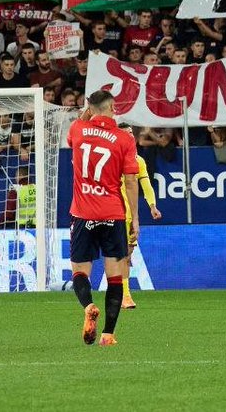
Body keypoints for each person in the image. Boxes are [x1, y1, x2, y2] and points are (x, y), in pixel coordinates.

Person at [67, 90, 139, 347]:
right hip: (113, 214)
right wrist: (135, 218)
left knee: (80, 272)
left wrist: (87, 113)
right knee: (115, 277)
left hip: (83, 213)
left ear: (89, 108)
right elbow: (130, 181)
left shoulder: (78, 129)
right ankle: (108, 335)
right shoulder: (124, 138)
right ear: (113, 108)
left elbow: (77, 127)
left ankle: (88, 306)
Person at [118, 122, 162, 310]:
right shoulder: (112, 159)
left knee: (127, 255)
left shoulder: (139, 161)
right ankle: (125, 296)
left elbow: (146, 185)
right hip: (114, 213)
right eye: (125, 133)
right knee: (120, 255)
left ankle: (123, 294)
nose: (129, 136)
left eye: (131, 133)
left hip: (130, 215)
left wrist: (152, 206)